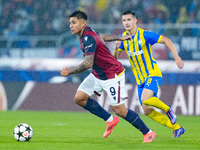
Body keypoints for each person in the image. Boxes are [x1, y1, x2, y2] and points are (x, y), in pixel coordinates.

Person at [60, 10, 156, 143]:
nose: (70, 25)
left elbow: (88, 63)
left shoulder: (88, 37)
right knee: (80, 98)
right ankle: (110, 120)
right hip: (98, 74)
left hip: (112, 75)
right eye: (70, 23)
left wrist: (69, 72)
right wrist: (119, 38)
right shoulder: (87, 32)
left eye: (74, 22)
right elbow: (102, 36)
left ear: (82, 24)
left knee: (120, 110)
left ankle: (148, 132)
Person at [111, 10, 185, 138]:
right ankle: (177, 128)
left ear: (135, 21)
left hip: (152, 73)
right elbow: (113, 59)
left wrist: (176, 57)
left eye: (129, 20)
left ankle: (168, 109)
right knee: (147, 110)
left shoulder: (144, 35)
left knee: (145, 99)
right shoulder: (123, 38)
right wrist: (116, 47)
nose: (126, 23)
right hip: (140, 80)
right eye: (124, 20)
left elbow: (166, 40)